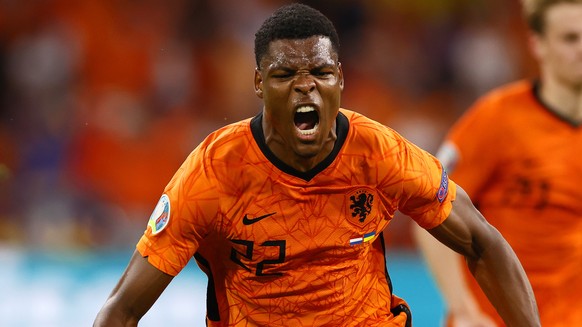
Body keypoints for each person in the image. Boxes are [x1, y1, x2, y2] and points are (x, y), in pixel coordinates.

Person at [93, 3, 540, 327]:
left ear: (340, 79)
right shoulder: (213, 174)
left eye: (321, 74)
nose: (305, 87)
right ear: (258, 83)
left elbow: (482, 242)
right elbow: (122, 311)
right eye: (285, 75)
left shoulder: (380, 154)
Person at [413, 0, 582, 326]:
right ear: (537, 44)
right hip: (492, 320)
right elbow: (429, 208)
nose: (581, 48)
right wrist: (463, 309)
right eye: (570, 38)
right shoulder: (497, 119)